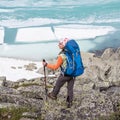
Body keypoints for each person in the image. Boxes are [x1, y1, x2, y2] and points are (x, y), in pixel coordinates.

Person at [42, 38, 78, 108]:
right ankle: (69, 102)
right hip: (73, 74)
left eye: (60, 44)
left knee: (58, 85)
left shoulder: (61, 56)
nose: (58, 45)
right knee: (70, 88)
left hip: (65, 75)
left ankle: (53, 95)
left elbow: (55, 67)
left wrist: (46, 65)